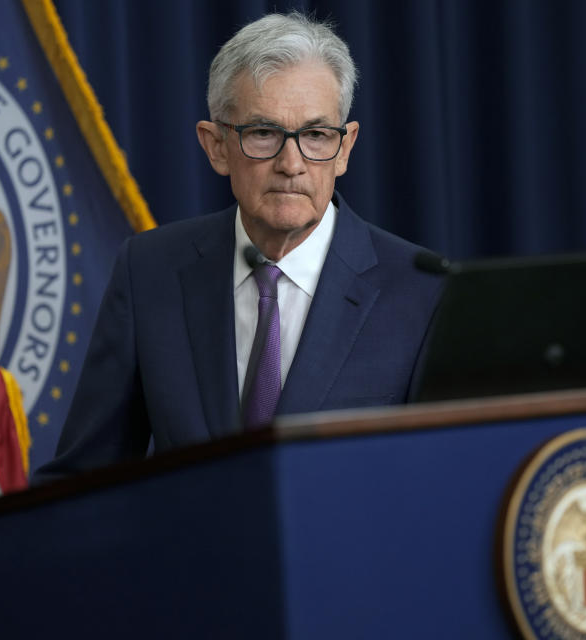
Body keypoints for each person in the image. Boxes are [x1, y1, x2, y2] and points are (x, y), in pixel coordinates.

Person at [37, 12, 442, 478]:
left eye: (315, 135)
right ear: (216, 146)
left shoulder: (423, 290)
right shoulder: (149, 272)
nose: (292, 164)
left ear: (345, 147)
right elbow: (85, 480)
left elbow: (440, 488)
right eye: (264, 133)